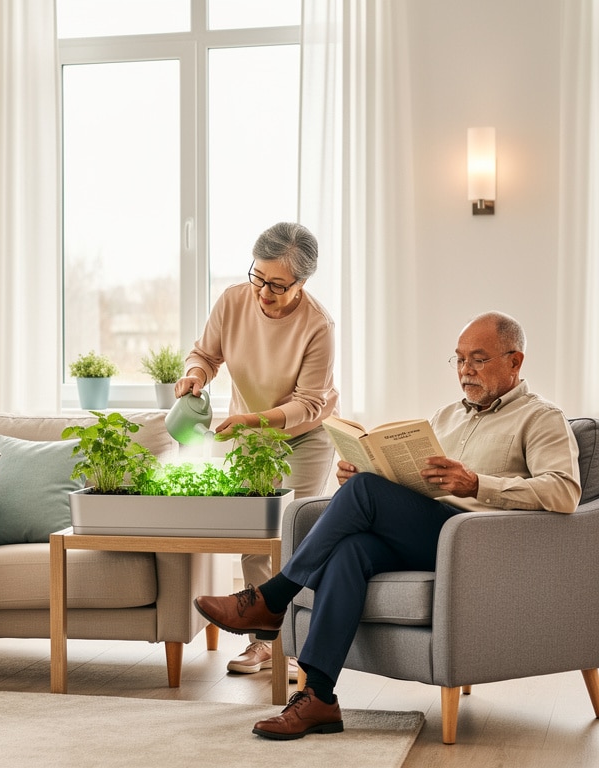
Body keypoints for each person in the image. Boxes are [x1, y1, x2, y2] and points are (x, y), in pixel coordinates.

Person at [194, 311, 581, 740]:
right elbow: (416, 482)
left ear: (515, 361)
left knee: (366, 497)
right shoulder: (447, 415)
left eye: (478, 359)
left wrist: (476, 483)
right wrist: (362, 473)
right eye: (458, 360)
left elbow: (564, 492)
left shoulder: (541, 417)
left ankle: (274, 597)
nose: (465, 370)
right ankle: (319, 697)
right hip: (429, 536)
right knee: (350, 549)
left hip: (477, 543)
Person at [176, 221, 339, 681]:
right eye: (258, 276)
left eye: (277, 285)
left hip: (304, 435)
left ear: (301, 283)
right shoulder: (233, 301)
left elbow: (309, 402)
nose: (263, 291)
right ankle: (262, 645)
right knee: (254, 536)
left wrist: (251, 419)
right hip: (251, 436)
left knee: (293, 537)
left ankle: (295, 646)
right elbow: (205, 354)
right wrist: (194, 376)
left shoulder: (318, 326)